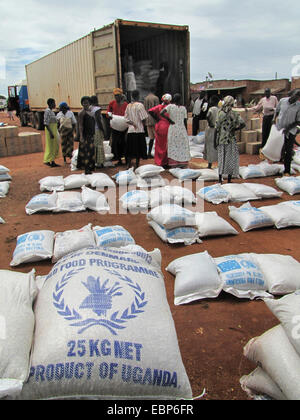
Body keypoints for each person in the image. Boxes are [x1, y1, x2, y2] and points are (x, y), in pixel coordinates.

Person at [215, 96, 245, 184]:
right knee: (230, 159)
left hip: (222, 139)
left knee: (221, 158)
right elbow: (243, 124)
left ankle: (220, 178)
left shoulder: (220, 113)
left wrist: (214, 140)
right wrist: (235, 129)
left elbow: (217, 128)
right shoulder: (235, 114)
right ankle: (228, 179)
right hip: (231, 139)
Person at [161, 93, 191, 168]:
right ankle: (182, 162)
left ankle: (173, 163)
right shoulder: (183, 108)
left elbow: (161, 113)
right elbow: (185, 121)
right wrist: (185, 131)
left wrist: (169, 120)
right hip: (181, 128)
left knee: (173, 144)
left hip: (173, 128)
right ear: (180, 99)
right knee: (182, 145)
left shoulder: (170, 107)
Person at [276, 89, 300, 176]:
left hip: (290, 132)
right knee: (279, 148)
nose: (296, 97)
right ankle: (279, 162)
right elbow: (277, 111)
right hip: (279, 129)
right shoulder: (282, 101)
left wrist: (288, 128)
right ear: (292, 94)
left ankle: (287, 171)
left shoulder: (298, 106)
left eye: (298, 96)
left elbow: (298, 121)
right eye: (296, 94)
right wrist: (273, 120)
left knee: (288, 151)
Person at [124, 90, 148, 169]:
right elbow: (143, 118)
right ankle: (137, 164)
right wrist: (143, 125)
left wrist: (132, 124)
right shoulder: (140, 105)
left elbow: (126, 118)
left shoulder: (128, 106)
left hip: (130, 131)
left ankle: (129, 164)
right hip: (139, 130)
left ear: (132, 96)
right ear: (138, 96)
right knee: (138, 149)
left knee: (130, 149)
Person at [148, 94, 172, 168]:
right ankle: (164, 162)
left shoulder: (159, 107)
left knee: (158, 145)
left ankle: (158, 160)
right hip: (166, 127)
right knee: (165, 145)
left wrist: (157, 119)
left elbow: (150, 111)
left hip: (159, 126)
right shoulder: (169, 107)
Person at [106, 88, 128, 166]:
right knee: (116, 143)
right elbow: (108, 112)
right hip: (115, 127)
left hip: (124, 127)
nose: (116, 97)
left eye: (118, 95)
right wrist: (110, 116)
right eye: (115, 96)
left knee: (124, 143)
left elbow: (128, 114)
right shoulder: (112, 103)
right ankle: (119, 159)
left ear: (121, 96)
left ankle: (126, 158)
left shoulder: (125, 104)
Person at [77, 96, 95, 175]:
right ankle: (86, 169)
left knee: (91, 151)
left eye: (87, 103)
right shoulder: (81, 113)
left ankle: (91, 167)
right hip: (85, 135)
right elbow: (80, 125)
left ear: (89, 103)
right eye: (84, 103)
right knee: (86, 152)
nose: (85, 104)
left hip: (91, 135)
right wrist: (81, 136)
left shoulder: (91, 112)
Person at [90, 95, 107, 168]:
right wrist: (103, 130)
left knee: (94, 146)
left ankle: (94, 162)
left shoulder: (89, 108)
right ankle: (100, 163)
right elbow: (98, 121)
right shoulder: (97, 109)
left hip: (92, 130)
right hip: (97, 130)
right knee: (99, 146)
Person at [203, 95, 219, 169]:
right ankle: (218, 162)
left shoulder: (211, 109)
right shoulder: (219, 109)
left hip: (211, 129)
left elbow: (207, 116)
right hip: (217, 130)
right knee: (216, 145)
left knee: (210, 146)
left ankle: (210, 164)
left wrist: (210, 123)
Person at [43, 98, 60, 167]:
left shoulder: (52, 111)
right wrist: (50, 132)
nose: (55, 104)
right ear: (50, 103)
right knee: (50, 146)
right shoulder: (47, 111)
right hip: (50, 130)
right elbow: (46, 123)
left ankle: (52, 160)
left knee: (54, 145)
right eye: (54, 103)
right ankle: (48, 160)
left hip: (54, 129)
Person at [144, 87, 160, 158]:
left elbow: (145, 109)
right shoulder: (156, 98)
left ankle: (149, 153)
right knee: (157, 138)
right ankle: (158, 153)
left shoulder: (145, 98)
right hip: (154, 119)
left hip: (147, 119)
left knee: (151, 138)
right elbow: (157, 109)